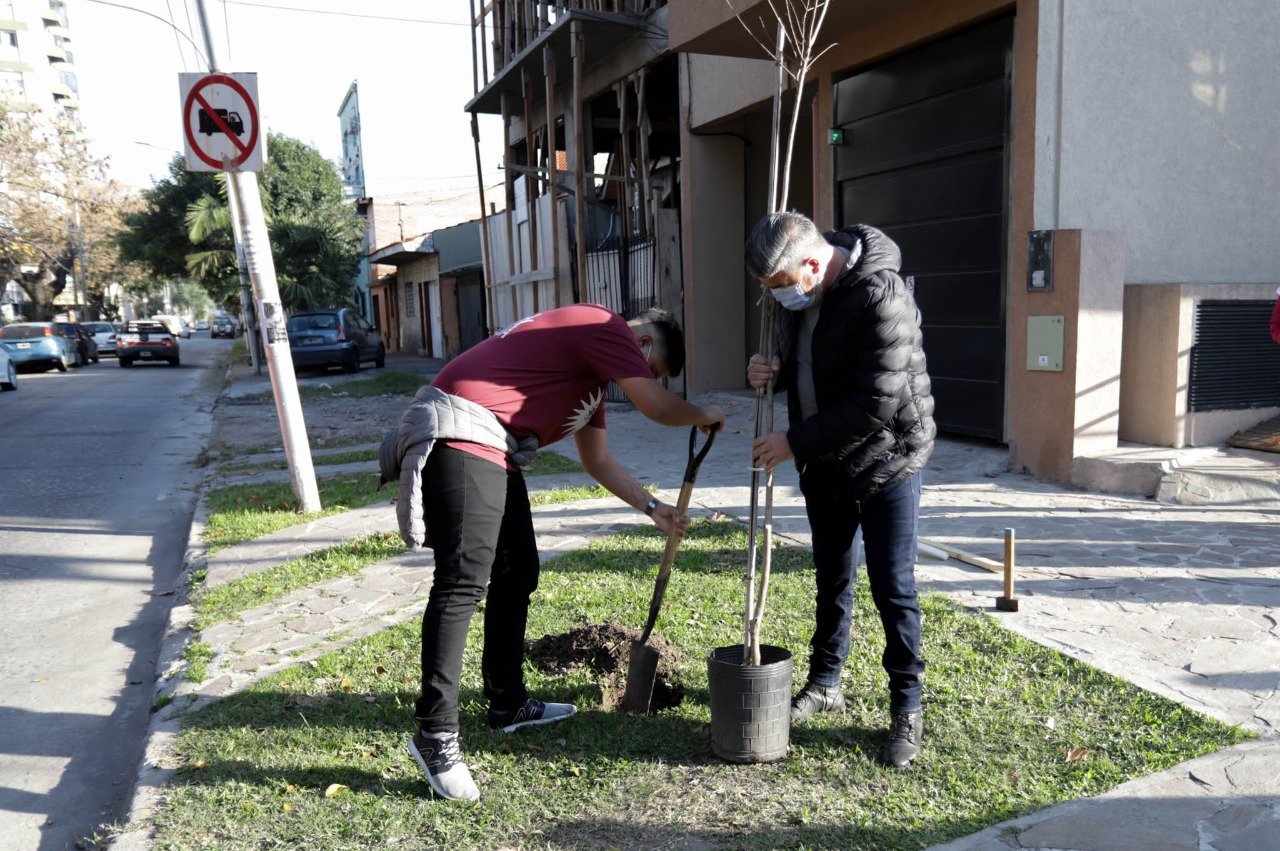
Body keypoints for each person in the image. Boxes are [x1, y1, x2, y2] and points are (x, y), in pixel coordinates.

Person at [380, 303, 724, 802]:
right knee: (461, 584)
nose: (643, 379)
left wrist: (654, 507)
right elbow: (657, 406)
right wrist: (703, 414)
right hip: (460, 431)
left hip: (495, 446)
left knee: (517, 571)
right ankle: (435, 736)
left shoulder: (590, 379)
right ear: (644, 345)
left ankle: (507, 703)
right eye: (652, 372)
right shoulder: (601, 325)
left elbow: (598, 459)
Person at [744, 211, 936, 769]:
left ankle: (907, 707)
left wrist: (791, 443)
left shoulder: (883, 295)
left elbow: (873, 405)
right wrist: (770, 370)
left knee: (892, 586)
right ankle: (827, 681)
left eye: (781, 286)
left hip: (887, 460)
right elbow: (810, 363)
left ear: (811, 262)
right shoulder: (801, 294)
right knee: (832, 576)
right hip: (823, 462)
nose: (781, 299)